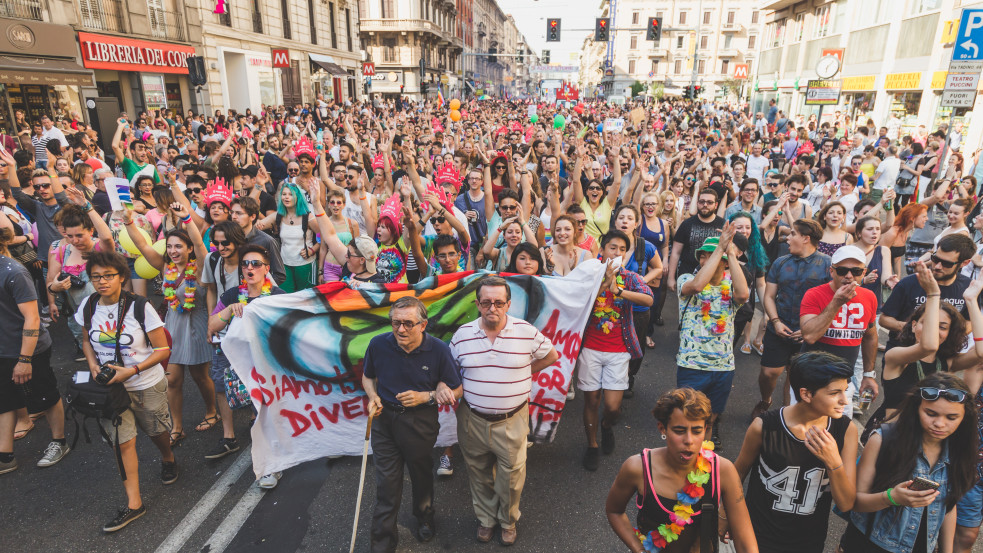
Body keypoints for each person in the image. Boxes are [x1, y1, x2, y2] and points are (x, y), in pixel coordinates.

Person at [450, 276, 558, 545]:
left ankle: (508, 521)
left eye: (498, 302)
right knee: (478, 473)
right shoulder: (462, 335)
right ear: (477, 304)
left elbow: (552, 355)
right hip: (472, 418)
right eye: (486, 302)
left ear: (508, 304)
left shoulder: (526, 331)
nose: (492, 307)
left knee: (511, 477)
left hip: (512, 420)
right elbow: (452, 371)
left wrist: (524, 373)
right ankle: (486, 520)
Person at [76, 251, 175, 532]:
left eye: (108, 276)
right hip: (109, 389)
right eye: (96, 277)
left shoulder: (140, 307)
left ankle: (168, 457)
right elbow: (86, 341)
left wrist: (131, 370)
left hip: (144, 383)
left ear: (121, 276)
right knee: (123, 442)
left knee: (156, 432)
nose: (102, 282)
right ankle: (134, 503)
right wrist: (94, 366)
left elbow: (163, 349)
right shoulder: (88, 305)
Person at [361, 296, 461, 551]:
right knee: (387, 486)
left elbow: (456, 389)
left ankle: (425, 517)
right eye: (396, 323)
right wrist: (373, 396)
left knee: (420, 476)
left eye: (408, 323)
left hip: (420, 422)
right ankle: (382, 544)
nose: (401, 329)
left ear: (423, 325)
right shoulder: (377, 344)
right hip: (385, 421)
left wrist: (425, 396)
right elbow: (367, 377)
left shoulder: (438, 349)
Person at [839, 373, 979, 553]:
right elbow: (854, 502)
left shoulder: (960, 450)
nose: (939, 424)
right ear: (916, 407)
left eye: (951, 418)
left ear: (965, 417)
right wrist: (891, 497)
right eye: (931, 413)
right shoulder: (883, 440)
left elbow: (948, 505)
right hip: (869, 544)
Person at [605, 388, 759, 553]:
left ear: (706, 429)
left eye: (697, 431)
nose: (689, 440)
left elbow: (745, 542)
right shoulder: (638, 468)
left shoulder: (723, 471)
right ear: (662, 429)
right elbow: (614, 510)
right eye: (679, 431)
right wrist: (639, 549)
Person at [733, 351, 858, 553]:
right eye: (835, 393)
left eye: (845, 390)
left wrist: (834, 462)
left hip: (809, 542)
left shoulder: (846, 431)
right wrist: (724, 514)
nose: (845, 400)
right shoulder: (764, 426)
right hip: (757, 538)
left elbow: (845, 503)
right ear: (806, 394)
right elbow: (737, 473)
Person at [123, 204, 217, 446]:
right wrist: (128, 223)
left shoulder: (201, 268)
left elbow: (199, 244)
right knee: (172, 380)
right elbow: (143, 246)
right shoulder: (166, 267)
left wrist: (186, 217)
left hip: (197, 326)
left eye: (179, 246)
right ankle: (177, 426)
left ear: (188, 249)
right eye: (170, 246)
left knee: (200, 376)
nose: (173, 251)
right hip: (173, 327)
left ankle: (211, 410)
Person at [207, 245, 287, 483]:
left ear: (266, 268)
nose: (249, 268)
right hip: (237, 361)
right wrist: (230, 310)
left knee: (263, 411)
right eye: (245, 264)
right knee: (231, 395)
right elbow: (212, 325)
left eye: (256, 264)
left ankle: (270, 466)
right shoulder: (232, 295)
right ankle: (234, 440)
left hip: (264, 362)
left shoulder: (277, 296)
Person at [577, 230, 653, 471]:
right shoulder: (590, 274)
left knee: (612, 407)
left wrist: (618, 290)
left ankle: (607, 426)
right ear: (602, 250)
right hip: (590, 347)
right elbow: (578, 302)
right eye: (612, 248)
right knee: (591, 400)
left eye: (622, 249)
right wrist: (603, 283)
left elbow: (648, 299)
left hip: (619, 350)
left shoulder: (630, 277)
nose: (617, 253)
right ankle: (592, 445)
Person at [0, 227, 69, 473]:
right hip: (3, 351)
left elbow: (32, 319)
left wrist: (24, 359)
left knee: (45, 397)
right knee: (6, 401)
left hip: (29, 350)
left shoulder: (14, 272)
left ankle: (59, 441)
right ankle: (5, 456)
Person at [677, 227, 750, 450]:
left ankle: (701, 460)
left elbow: (744, 295)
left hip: (723, 366)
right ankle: (684, 458)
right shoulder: (687, 278)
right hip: (692, 364)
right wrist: (720, 247)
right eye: (703, 254)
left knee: (711, 417)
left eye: (712, 254)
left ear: (726, 262)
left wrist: (730, 252)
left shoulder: (731, 286)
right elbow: (697, 286)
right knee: (688, 417)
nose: (705, 258)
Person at [754, 219, 831, 417]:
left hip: (809, 333)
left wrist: (810, 329)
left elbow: (831, 302)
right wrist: (775, 322)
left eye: (793, 234)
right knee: (768, 373)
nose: (788, 238)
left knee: (795, 374)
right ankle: (765, 400)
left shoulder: (827, 264)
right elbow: (769, 296)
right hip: (779, 329)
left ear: (806, 238)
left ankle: (787, 413)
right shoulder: (781, 262)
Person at [798, 245, 879, 418]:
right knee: (805, 431)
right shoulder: (814, 294)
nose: (849, 276)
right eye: (842, 270)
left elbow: (870, 337)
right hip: (812, 380)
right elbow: (810, 336)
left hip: (844, 383)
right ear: (831, 271)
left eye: (856, 271)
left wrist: (868, 375)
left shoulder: (869, 297)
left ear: (864, 273)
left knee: (838, 432)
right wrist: (836, 303)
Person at [880, 234, 976, 352]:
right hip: (903, 352)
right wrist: (915, 328)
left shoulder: (968, 288)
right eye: (935, 259)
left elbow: (970, 321)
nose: (937, 266)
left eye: (947, 263)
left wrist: (949, 333)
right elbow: (884, 319)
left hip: (941, 357)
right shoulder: (908, 283)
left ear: (965, 263)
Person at [668, 188, 724, 292]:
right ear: (697, 203)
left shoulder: (722, 224)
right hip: (687, 277)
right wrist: (671, 277)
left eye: (709, 202)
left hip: (714, 279)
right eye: (702, 201)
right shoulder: (687, 224)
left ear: (716, 205)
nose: (705, 205)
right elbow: (676, 252)